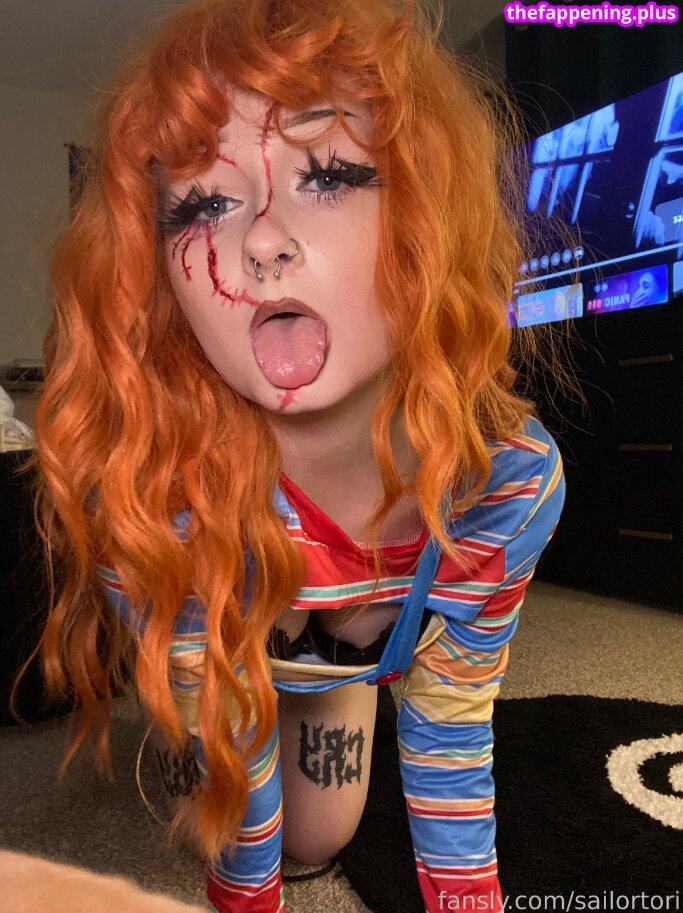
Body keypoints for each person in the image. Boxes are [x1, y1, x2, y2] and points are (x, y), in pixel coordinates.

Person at [15, 0, 569, 911]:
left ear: (426, 214)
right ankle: (243, 694)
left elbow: (452, 734)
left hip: (349, 650)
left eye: (330, 175)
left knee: (322, 833)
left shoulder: (505, 483)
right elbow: (238, 785)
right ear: (162, 281)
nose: (262, 240)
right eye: (204, 203)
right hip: (237, 667)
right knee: (248, 812)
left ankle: (337, 673)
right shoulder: (152, 493)